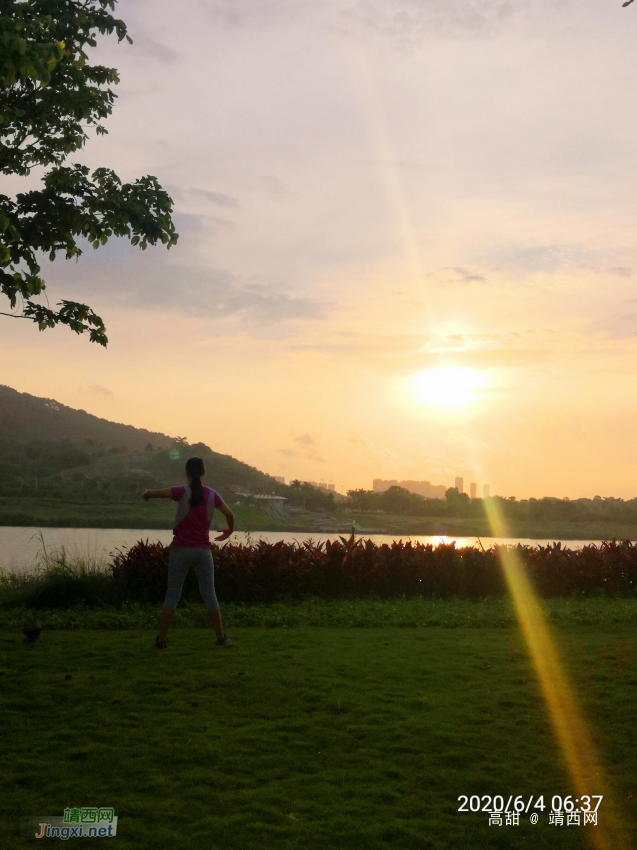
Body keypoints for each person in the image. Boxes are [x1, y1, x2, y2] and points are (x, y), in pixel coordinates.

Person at [140, 456, 235, 650]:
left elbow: (157, 493)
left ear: (186, 473)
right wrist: (229, 531)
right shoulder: (212, 495)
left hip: (180, 551)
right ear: (203, 472)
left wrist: (146, 493)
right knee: (209, 594)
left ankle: (162, 640)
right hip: (202, 552)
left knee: (172, 594)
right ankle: (221, 638)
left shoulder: (181, 492)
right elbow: (230, 515)